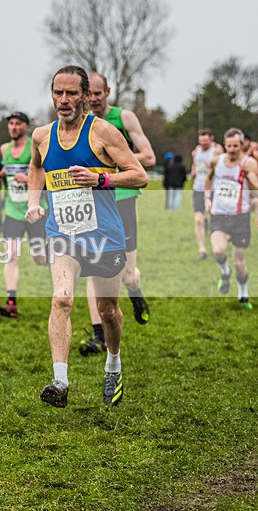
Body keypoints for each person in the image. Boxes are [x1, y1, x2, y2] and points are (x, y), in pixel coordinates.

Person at [26, 65, 147, 408]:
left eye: (71, 93)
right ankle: (60, 382)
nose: (63, 100)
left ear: (85, 96)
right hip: (62, 233)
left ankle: (113, 363)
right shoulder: (42, 136)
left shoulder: (103, 132)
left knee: (108, 311)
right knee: (61, 299)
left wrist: (101, 179)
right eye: (58, 93)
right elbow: (36, 166)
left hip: (104, 236)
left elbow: (139, 175)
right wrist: (33, 201)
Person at [78, 73, 155, 356]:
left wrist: (112, 161)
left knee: (127, 274)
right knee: (93, 269)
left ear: (107, 92)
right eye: (89, 94)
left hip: (122, 199)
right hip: (94, 203)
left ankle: (135, 290)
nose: (93, 99)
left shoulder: (124, 118)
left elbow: (148, 157)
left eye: (98, 94)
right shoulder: (81, 125)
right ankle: (99, 335)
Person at [0, 111, 47, 318]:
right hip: (13, 211)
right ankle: (11, 302)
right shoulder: (4, 148)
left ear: (26, 127)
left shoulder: (35, 147)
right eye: (11, 123)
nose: (13, 127)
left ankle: (64, 266)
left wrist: (29, 178)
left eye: (18, 123)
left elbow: (46, 173)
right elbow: (9, 169)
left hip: (35, 211)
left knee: (39, 258)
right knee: (11, 256)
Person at [204, 128, 258, 309]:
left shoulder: (249, 163)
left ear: (241, 145)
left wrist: (247, 175)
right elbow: (208, 179)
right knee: (218, 251)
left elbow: (256, 190)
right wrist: (207, 198)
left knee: (239, 263)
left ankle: (243, 294)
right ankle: (225, 271)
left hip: (240, 218)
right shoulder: (217, 161)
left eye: (235, 146)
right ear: (225, 145)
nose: (232, 149)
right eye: (229, 146)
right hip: (219, 215)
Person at [191, 129, 224, 260]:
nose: (203, 143)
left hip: (214, 189)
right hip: (198, 189)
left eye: (205, 141)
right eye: (201, 141)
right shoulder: (196, 151)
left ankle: (219, 244)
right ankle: (202, 249)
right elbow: (194, 165)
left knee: (215, 217)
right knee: (198, 219)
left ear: (211, 139)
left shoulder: (217, 150)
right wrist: (193, 171)